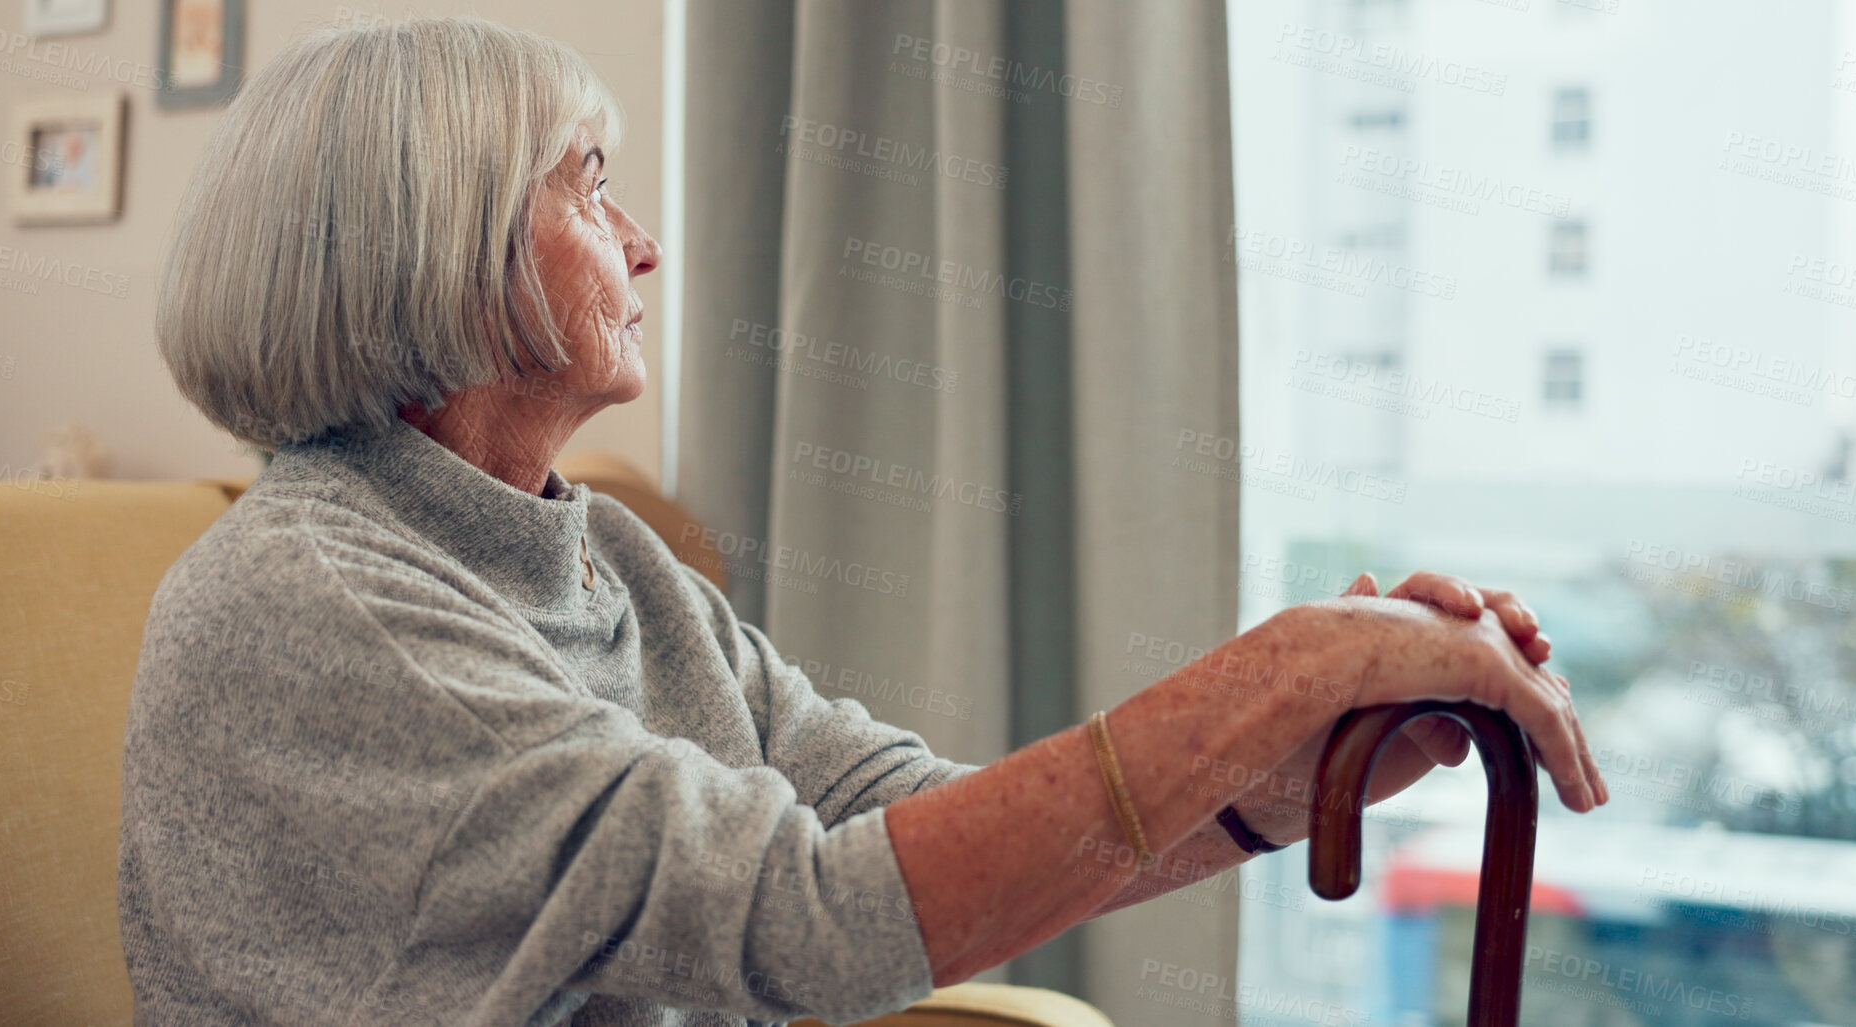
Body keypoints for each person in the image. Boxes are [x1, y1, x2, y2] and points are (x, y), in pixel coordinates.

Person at [120, 15, 1606, 1027]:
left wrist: (1294, 769)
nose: (643, 242)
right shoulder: (323, 605)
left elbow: (898, 824)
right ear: (431, 247)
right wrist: (1293, 662)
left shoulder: (603, 556)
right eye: (588, 189)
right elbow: (809, 926)